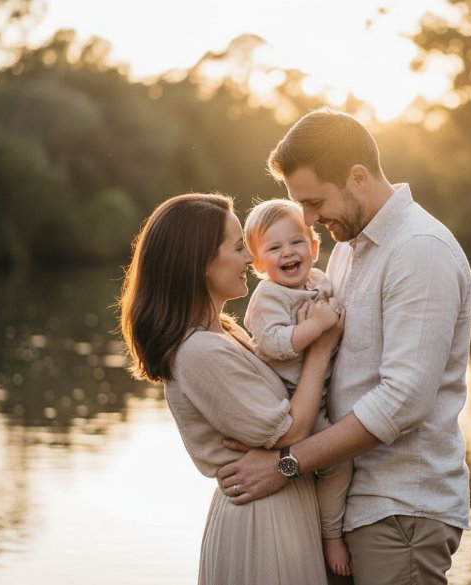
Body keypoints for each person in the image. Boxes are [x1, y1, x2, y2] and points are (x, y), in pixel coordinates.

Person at [217, 108, 471, 585]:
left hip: (401, 511)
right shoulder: (347, 250)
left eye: (314, 202)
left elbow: (402, 403)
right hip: (349, 503)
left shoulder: (419, 250)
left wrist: (287, 464)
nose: (309, 219)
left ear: (357, 177)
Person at [119, 192, 344, 585]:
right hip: (262, 523)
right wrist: (320, 349)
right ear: (201, 263)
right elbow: (291, 431)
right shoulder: (197, 350)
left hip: (282, 509)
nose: (248, 259)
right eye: (240, 247)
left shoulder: (224, 331)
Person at [242, 198, 354, 577]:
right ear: (258, 264)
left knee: (338, 464)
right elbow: (273, 342)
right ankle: (330, 534)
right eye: (273, 248)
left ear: (314, 247)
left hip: (319, 396)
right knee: (338, 459)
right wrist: (317, 326)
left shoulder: (321, 281)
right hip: (290, 402)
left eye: (297, 242)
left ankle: (324, 524)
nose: (288, 252)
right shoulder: (267, 298)